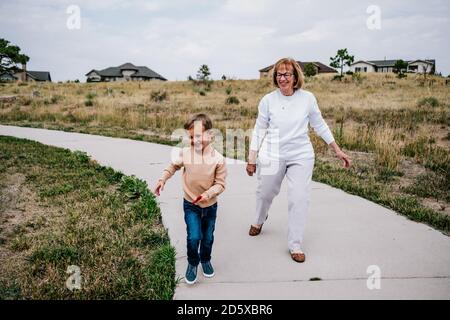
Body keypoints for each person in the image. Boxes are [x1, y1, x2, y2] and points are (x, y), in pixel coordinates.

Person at [246, 58, 351, 263]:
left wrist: (337, 150)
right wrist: (252, 158)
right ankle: (259, 220)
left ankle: (295, 244)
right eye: (279, 74)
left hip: (301, 155)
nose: (282, 78)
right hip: (272, 154)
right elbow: (259, 129)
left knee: (299, 198)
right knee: (265, 192)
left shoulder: (308, 98)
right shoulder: (268, 100)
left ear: (296, 77)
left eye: (287, 74)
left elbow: (319, 125)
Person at [154, 113, 227, 284]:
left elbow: (221, 185)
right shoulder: (186, 153)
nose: (195, 140)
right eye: (191, 137)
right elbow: (173, 166)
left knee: (207, 237)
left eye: (199, 136)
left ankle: (205, 259)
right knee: (194, 237)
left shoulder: (218, 160)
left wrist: (208, 194)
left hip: (210, 206)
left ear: (211, 135)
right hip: (191, 205)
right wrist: (162, 179)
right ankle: (193, 262)